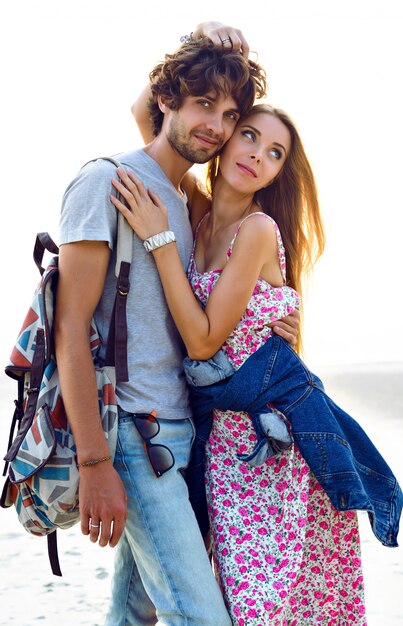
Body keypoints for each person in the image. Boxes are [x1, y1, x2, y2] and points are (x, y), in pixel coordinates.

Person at [54, 22, 291, 626]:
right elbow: (70, 330)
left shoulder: (185, 198)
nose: (215, 124)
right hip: (132, 433)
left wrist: (267, 322)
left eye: (228, 113)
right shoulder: (109, 182)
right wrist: (93, 461)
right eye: (203, 103)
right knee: (202, 615)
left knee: (135, 613)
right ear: (167, 101)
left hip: (185, 433)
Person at [111, 101, 378, 624]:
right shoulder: (196, 209)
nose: (257, 155)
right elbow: (149, 111)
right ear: (226, 136)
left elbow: (205, 340)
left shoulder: (256, 230)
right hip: (217, 444)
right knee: (205, 597)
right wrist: (206, 32)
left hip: (268, 454)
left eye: (274, 153)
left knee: (264, 608)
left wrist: (159, 240)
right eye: (249, 135)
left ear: (279, 171)